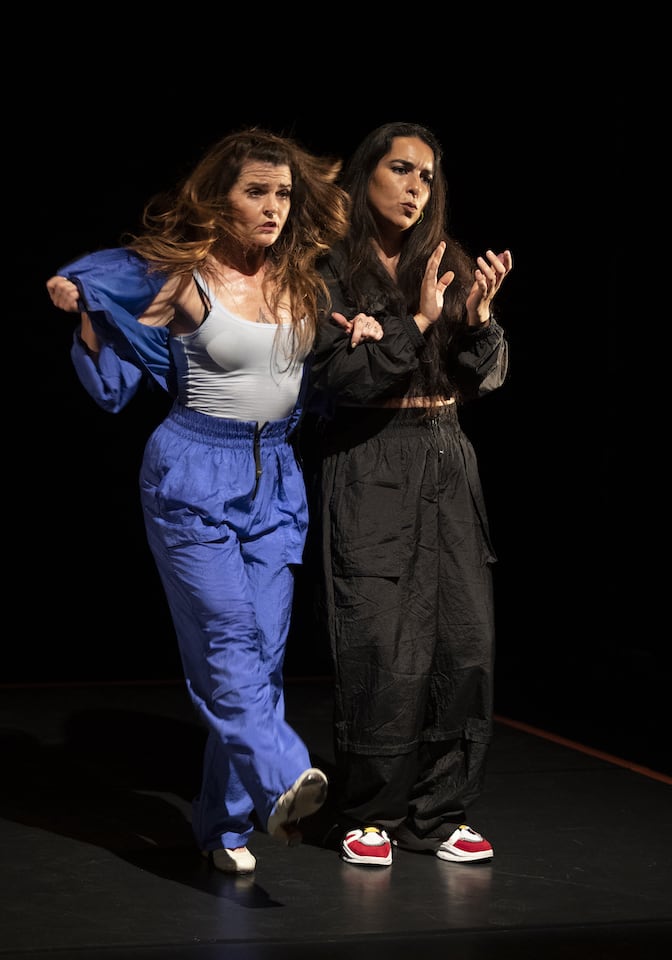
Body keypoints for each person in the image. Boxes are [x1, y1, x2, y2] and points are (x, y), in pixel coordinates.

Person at [45, 127, 352, 875]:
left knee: (264, 654)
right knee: (228, 639)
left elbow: (311, 378)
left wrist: (360, 333)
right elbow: (101, 303)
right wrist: (80, 300)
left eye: (284, 194)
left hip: (276, 477)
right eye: (257, 192)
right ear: (221, 198)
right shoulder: (184, 281)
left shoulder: (303, 284)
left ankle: (225, 824)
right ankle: (284, 775)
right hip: (193, 474)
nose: (274, 207)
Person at [302, 121, 513, 868]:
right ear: (366, 176)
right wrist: (413, 321)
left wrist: (478, 323)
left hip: (447, 454)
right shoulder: (329, 268)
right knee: (381, 641)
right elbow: (340, 377)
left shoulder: (446, 260)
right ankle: (371, 813)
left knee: (464, 640)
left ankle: (439, 810)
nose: (415, 188)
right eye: (400, 169)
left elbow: (486, 377)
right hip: (372, 455)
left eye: (426, 175)